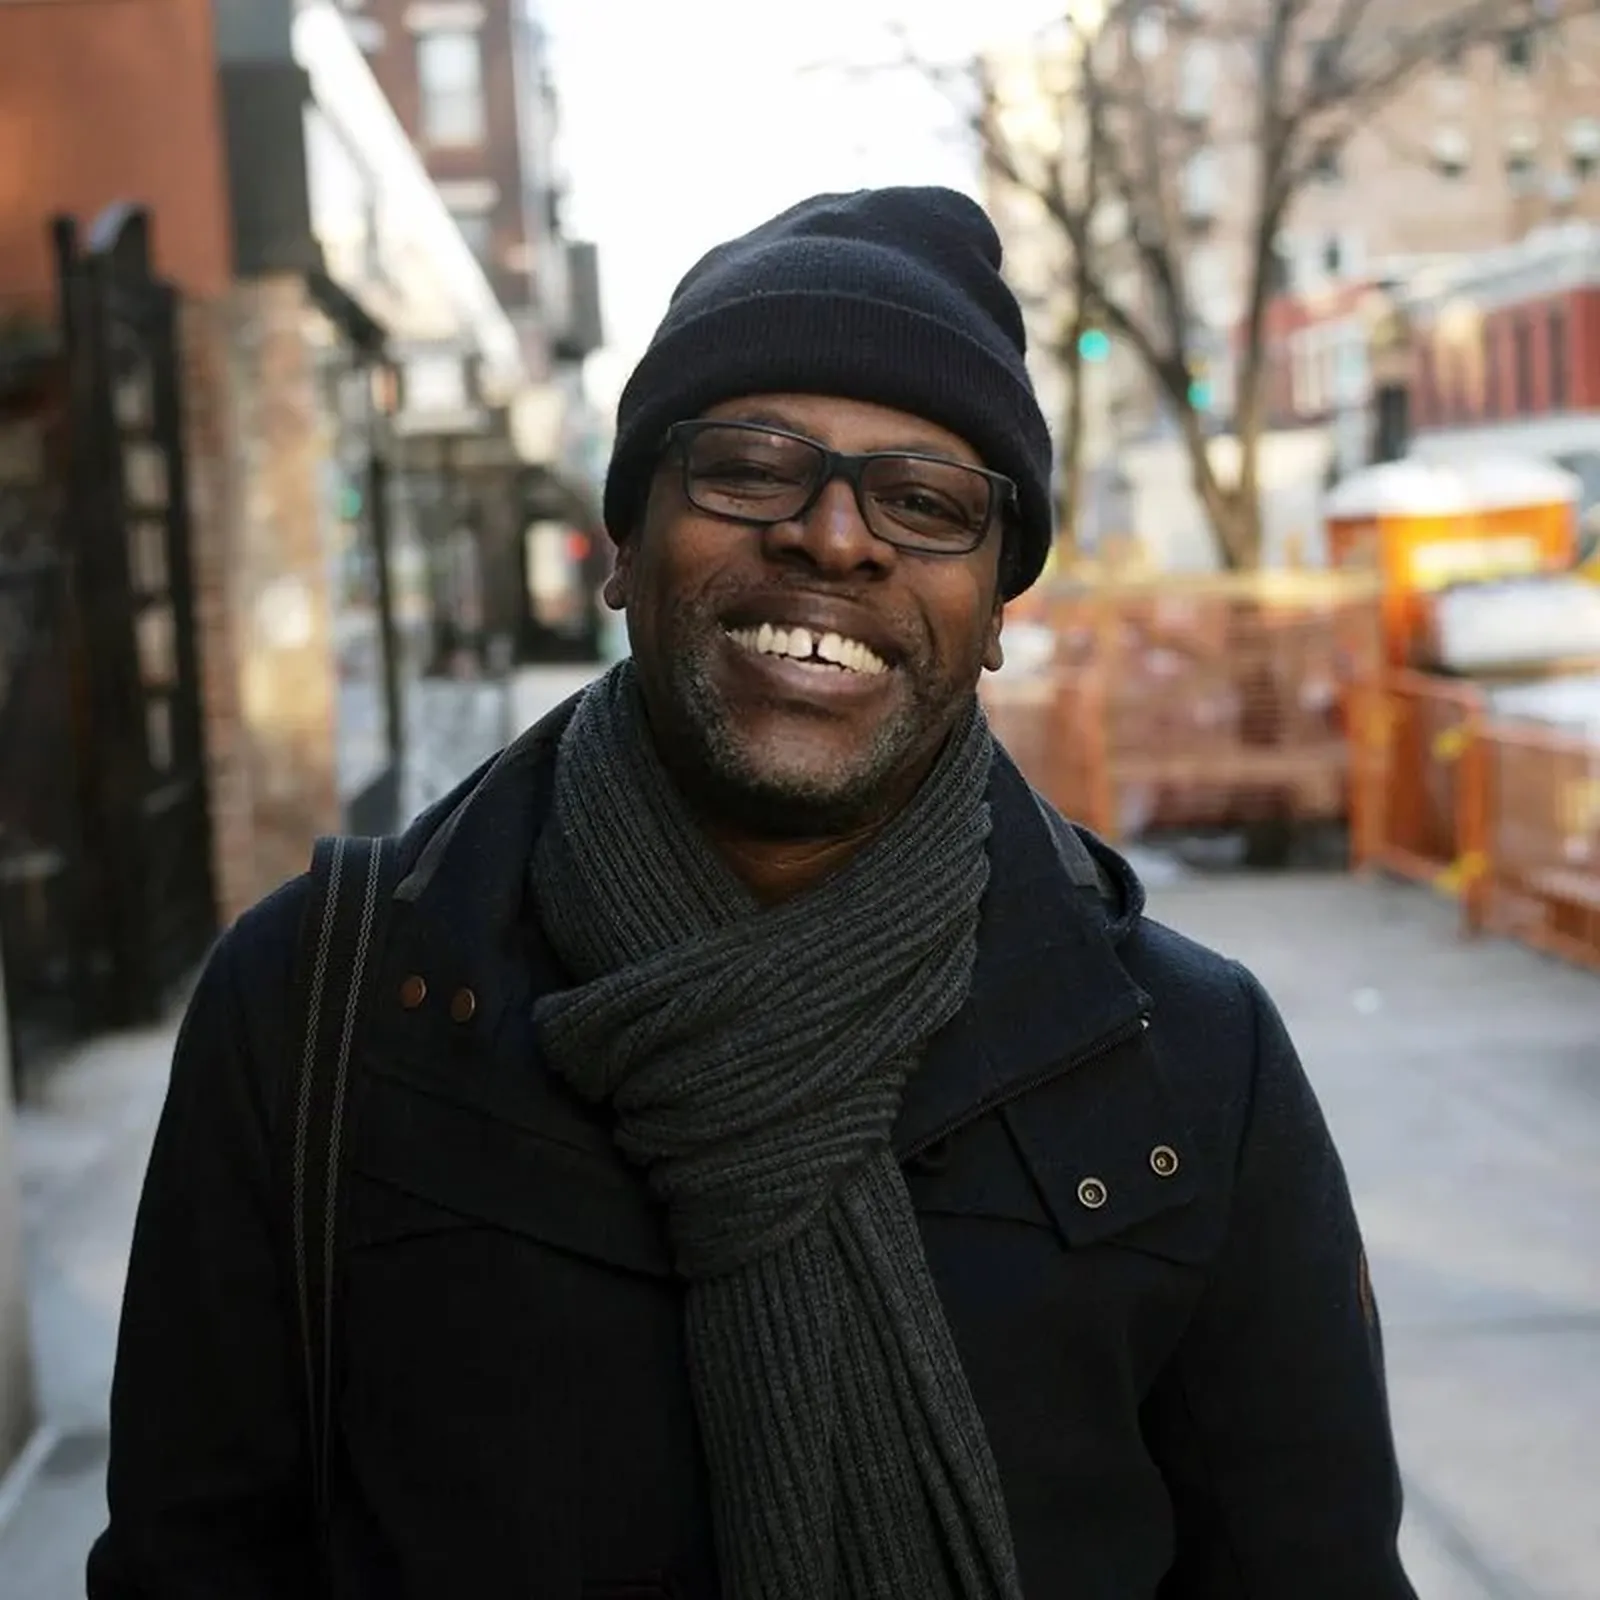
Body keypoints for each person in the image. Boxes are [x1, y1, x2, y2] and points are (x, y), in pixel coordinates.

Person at [88, 187, 1417, 1600]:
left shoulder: (1187, 1060)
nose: (834, 539)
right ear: (620, 545)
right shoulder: (327, 1006)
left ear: (994, 618)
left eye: (924, 501)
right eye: (747, 467)